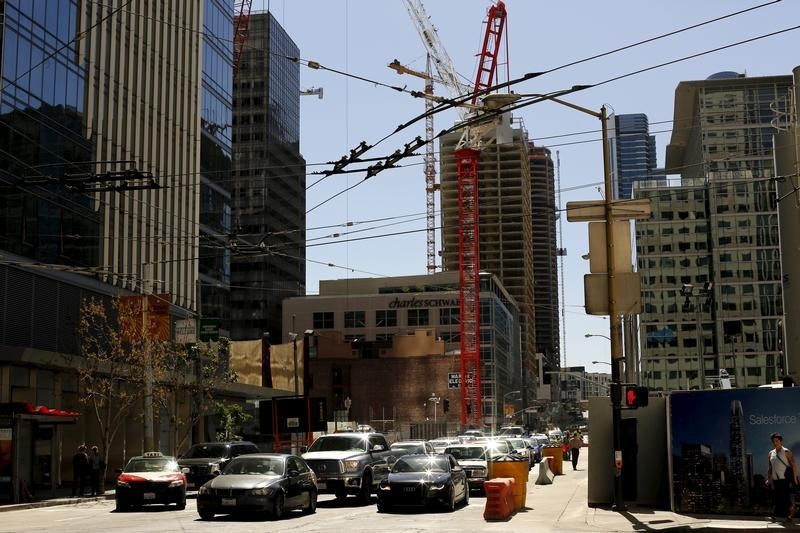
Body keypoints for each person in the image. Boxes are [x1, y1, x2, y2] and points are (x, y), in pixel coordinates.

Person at [766, 431, 798, 522]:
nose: (775, 443)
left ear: (781, 441)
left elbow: (793, 465)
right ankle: (780, 515)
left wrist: (794, 478)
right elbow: (770, 467)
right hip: (776, 480)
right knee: (777, 498)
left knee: (785, 499)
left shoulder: (787, 452)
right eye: (773, 441)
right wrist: (768, 478)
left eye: (776, 441)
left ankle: (789, 515)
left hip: (785, 479)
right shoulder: (770, 453)